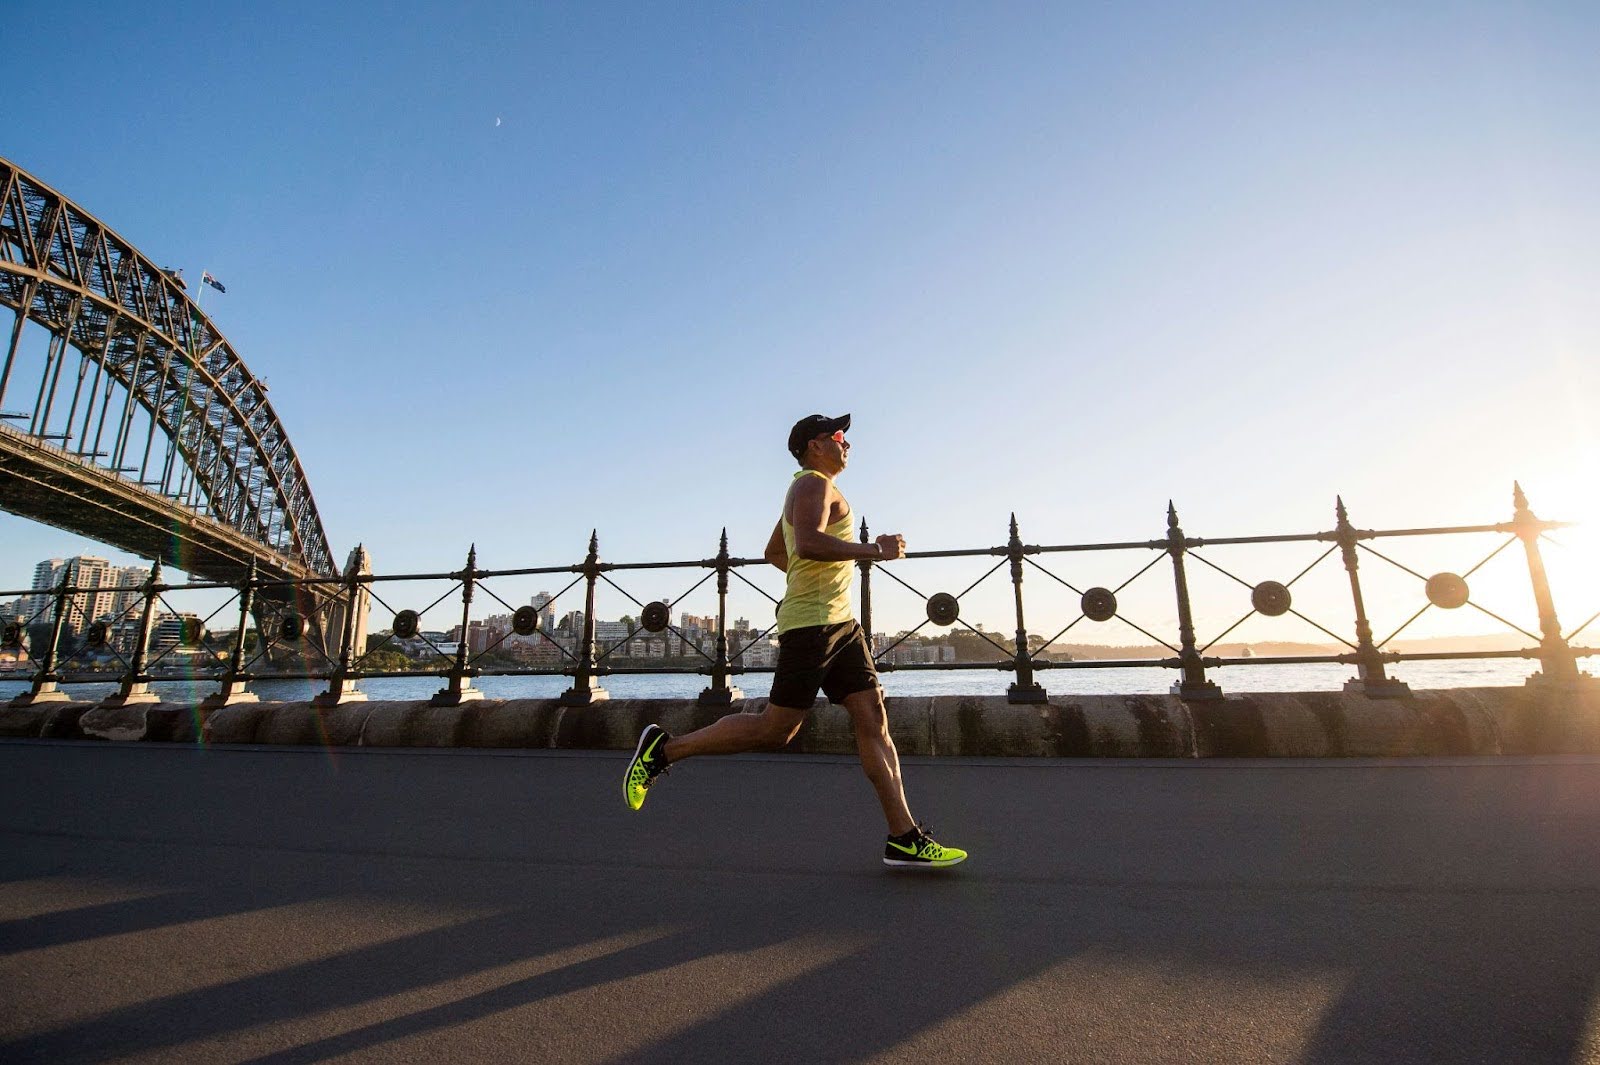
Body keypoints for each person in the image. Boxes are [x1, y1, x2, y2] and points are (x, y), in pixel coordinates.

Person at [623, 413, 967, 869]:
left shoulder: (814, 487)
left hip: (841, 624)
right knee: (776, 729)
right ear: (813, 445)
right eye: (838, 436)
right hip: (813, 627)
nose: (847, 444)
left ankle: (904, 836)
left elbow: (775, 552)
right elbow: (805, 544)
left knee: (873, 716)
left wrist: (814, 584)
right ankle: (663, 750)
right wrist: (873, 551)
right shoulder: (812, 485)